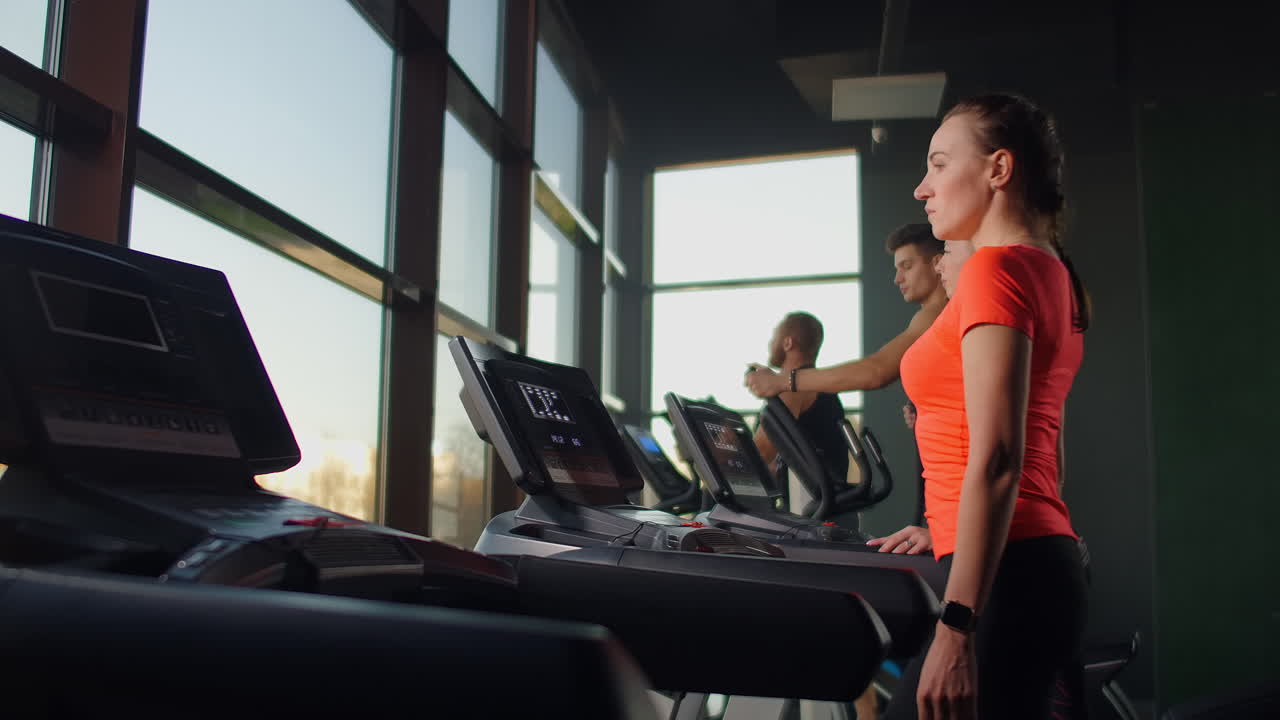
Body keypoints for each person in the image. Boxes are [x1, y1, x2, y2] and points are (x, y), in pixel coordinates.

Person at [881, 93, 1091, 720]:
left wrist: (956, 630)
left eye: (939, 164)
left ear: (998, 170)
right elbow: (1025, 442)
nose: (922, 188)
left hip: (1008, 578)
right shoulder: (1051, 270)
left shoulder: (995, 271)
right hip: (1028, 562)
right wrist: (943, 522)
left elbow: (999, 458)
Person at [745, 223, 946, 399]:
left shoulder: (936, 314)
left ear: (937, 263)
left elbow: (876, 371)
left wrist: (781, 381)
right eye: (897, 269)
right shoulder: (931, 316)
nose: (897, 279)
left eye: (907, 266)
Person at [750, 312, 849, 484]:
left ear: (788, 343)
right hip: (826, 498)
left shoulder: (792, 389)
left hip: (811, 505)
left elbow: (760, 454)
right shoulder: (819, 387)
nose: (769, 343)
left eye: (774, 336)